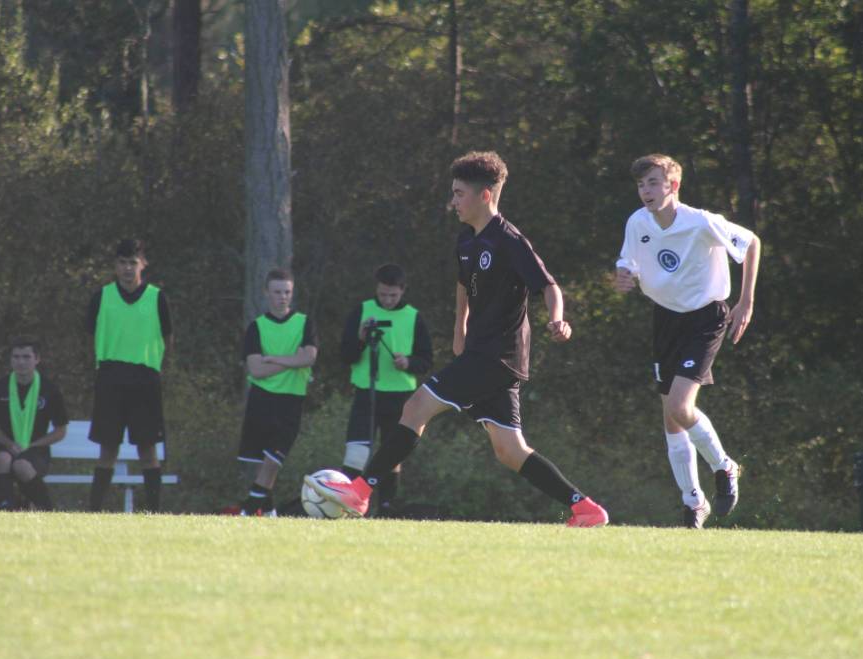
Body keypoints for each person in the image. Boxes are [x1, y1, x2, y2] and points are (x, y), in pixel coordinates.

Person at [308, 150, 608, 527]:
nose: (453, 202)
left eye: (459, 193)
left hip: (497, 355)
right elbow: (464, 286)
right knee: (510, 451)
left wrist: (558, 319)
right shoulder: (467, 240)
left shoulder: (509, 240)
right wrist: (459, 329)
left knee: (415, 407)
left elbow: (548, 286)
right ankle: (585, 508)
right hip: (485, 354)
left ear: (485, 195)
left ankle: (360, 491)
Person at [613, 154, 760, 528]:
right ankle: (694, 502)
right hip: (666, 319)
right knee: (671, 417)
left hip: (705, 318)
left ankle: (724, 466)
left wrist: (745, 302)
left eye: (653, 182)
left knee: (680, 406)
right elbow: (628, 261)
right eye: (641, 184)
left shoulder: (700, 222)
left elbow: (751, 242)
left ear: (673, 185)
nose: (646, 191)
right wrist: (624, 274)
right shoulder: (638, 221)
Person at [339, 263, 433, 516]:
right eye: (382, 294)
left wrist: (408, 362)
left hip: (400, 397)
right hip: (365, 393)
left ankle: (386, 507)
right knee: (356, 453)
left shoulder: (413, 317)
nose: (387, 300)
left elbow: (426, 361)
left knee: (392, 454)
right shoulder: (362, 311)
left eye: (393, 295)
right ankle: (346, 505)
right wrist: (360, 339)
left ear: (403, 290)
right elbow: (345, 355)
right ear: (376, 289)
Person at [86, 239, 172, 512]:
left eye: (133, 263)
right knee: (107, 449)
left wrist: (154, 365)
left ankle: (153, 512)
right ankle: (94, 512)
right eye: (122, 263)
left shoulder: (156, 297)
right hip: (110, 376)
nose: (127, 268)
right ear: (115, 265)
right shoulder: (102, 296)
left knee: (147, 449)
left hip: (145, 378)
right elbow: (90, 335)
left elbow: (167, 338)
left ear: (143, 264)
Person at [236, 268, 318, 516]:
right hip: (262, 400)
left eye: (287, 292)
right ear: (266, 293)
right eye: (277, 292)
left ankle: (249, 509)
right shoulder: (257, 327)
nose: (282, 297)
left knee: (274, 460)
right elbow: (256, 369)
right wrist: (292, 360)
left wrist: (273, 359)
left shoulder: (304, 323)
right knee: (263, 462)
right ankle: (269, 512)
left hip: (291, 401)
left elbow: (308, 358)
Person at [0, 339, 68, 511]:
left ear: (37, 359)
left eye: (26, 357)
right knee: (1, 459)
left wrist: (33, 445)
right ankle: (5, 507)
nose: (21, 362)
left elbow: (61, 430)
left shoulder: (49, 389)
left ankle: (45, 508)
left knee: (21, 465)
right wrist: (9, 444)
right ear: (10, 360)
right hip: (7, 446)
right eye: (16, 357)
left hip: (36, 449)